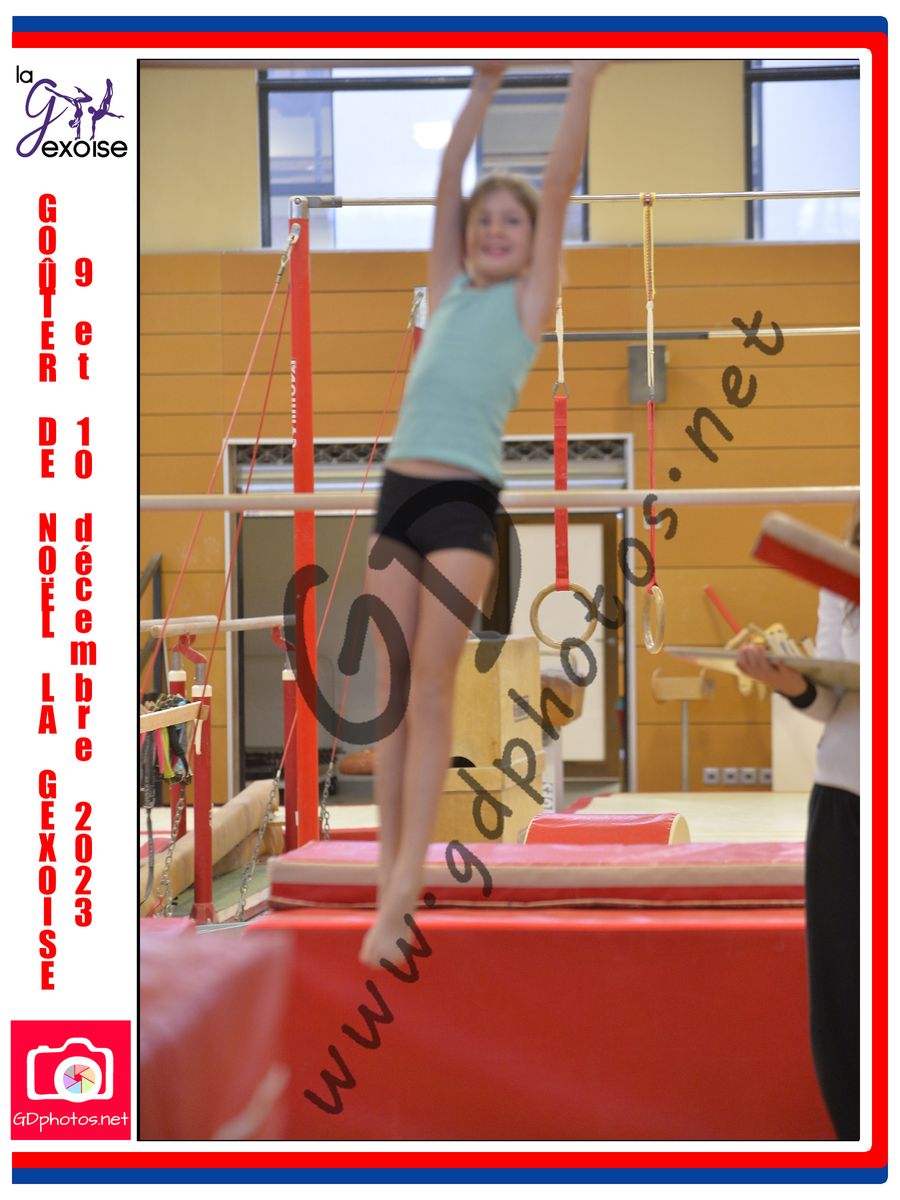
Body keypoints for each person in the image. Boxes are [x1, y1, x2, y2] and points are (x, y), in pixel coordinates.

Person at [360, 60, 605, 968]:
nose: (497, 227)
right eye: (485, 219)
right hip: (398, 492)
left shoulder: (528, 305)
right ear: (466, 237)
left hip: (463, 503)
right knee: (385, 702)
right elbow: (445, 183)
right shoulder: (449, 288)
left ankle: (403, 886)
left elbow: (559, 180)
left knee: (430, 692)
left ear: (534, 244)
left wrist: (585, 76)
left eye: (514, 221)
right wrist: (482, 88)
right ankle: (386, 879)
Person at [736, 514, 860, 1140]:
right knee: (845, 995)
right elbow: (837, 699)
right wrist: (791, 685)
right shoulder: (844, 575)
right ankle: (861, 1141)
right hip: (846, 798)